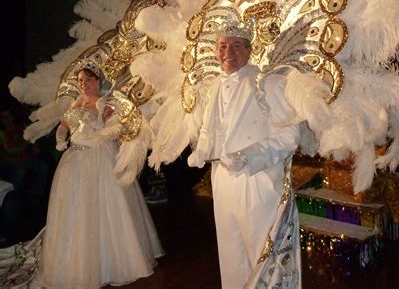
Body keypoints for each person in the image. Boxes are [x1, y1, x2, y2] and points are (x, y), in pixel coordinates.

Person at [188, 21, 302, 288]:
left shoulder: (269, 83)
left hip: (258, 180)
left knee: (261, 252)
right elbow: (209, 129)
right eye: (222, 46)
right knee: (231, 253)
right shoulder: (214, 85)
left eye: (236, 46)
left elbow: (289, 136)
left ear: (249, 50)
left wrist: (248, 156)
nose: (228, 52)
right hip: (223, 180)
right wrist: (201, 151)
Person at [34, 61, 164, 288]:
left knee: (107, 205)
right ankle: (78, 260)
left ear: (97, 81)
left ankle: (113, 260)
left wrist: (103, 126)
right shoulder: (75, 102)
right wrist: (60, 140)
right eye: (81, 80)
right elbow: (64, 125)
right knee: (77, 208)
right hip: (75, 160)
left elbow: (116, 128)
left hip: (100, 156)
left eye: (88, 80)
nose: (84, 84)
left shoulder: (106, 101)